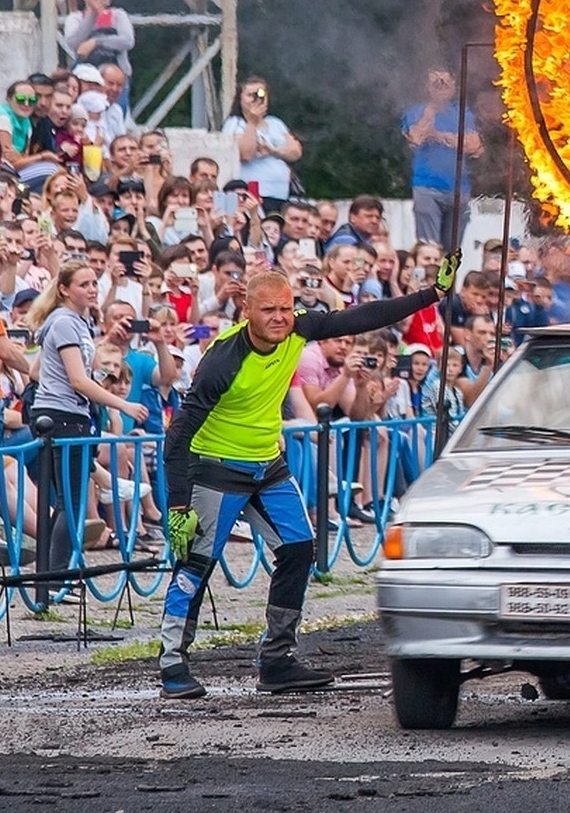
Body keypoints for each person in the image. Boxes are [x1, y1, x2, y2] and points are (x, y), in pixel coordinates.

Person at [157, 248, 461, 699]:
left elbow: (359, 318)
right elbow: (178, 434)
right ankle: (172, 663)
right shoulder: (222, 360)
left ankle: (277, 660)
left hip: (267, 464)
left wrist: (431, 294)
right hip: (216, 468)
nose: (280, 318)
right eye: (269, 311)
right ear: (247, 311)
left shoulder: (299, 326)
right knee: (196, 564)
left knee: (301, 549)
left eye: (285, 308)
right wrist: (179, 505)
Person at [25, 260, 149, 589]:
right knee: (73, 503)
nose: (92, 289)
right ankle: (52, 581)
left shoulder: (73, 322)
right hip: (64, 417)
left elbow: (37, 371)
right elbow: (78, 381)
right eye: (84, 284)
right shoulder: (65, 322)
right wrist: (123, 403)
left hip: (64, 413)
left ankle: (49, 580)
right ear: (64, 289)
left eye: (94, 283)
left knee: (69, 501)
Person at [402, 69, 481, 249]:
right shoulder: (416, 112)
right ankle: (429, 277)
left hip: (459, 189)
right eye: (436, 83)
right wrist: (431, 111)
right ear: (427, 87)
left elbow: (474, 146)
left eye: (446, 82)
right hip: (427, 186)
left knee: (452, 254)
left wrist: (437, 135)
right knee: (429, 248)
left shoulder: (464, 114)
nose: (442, 87)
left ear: (454, 86)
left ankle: (447, 279)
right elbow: (416, 138)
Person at [221, 77, 303, 215]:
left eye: (260, 94)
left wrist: (273, 150)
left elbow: (296, 152)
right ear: (240, 98)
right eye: (250, 95)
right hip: (255, 194)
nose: (256, 99)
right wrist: (252, 123)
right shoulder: (234, 124)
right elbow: (246, 154)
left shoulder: (275, 123)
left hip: (282, 194)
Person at [64, 0, 136, 112]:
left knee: (116, 114)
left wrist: (96, 42)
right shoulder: (75, 18)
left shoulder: (118, 15)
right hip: (86, 81)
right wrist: (93, 15)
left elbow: (127, 41)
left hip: (115, 79)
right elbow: (74, 43)